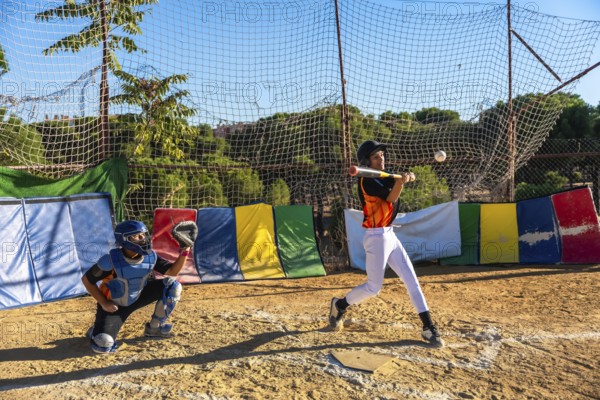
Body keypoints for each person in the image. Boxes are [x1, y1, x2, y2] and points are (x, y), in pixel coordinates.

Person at [329, 140, 444, 347]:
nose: (380, 157)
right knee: (374, 288)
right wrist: (401, 182)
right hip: (375, 238)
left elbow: (394, 185)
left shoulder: (386, 175)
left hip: (390, 234)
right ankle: (339, 304)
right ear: (367, 162)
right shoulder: (367, 181)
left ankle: (428, 327)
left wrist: (405, 177)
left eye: (381, 154)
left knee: (411, 280)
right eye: (375, 156)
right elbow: (391, 198)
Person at [82, 220, 192, 354]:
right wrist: (104, 303)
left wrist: (185, 250)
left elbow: (172, 272)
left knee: (172, 286)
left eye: (144, 234)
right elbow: (87, 280)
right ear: (124, 240)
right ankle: (97, 330)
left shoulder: (150, 256)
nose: (143, 239)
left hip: (139, 296)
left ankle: (154, 328)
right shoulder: (110, 261)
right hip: (114, 306)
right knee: (103, 344)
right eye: (137, 236)